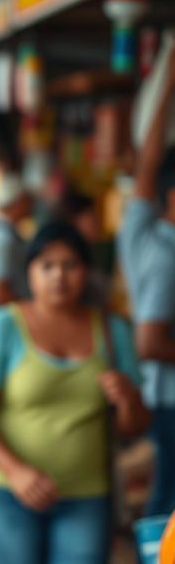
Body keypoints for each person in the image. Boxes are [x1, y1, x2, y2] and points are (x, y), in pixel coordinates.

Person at [0, 221, 150, 564]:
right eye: (47, 265)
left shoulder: (112, 331)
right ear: (29, 272)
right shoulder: (2, 327)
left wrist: (127, 399)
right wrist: (17, 471)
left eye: (70, 265)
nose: (59, 276)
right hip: (3, 491)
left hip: (86, 495)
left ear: (87, 272)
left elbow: (132, 428)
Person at [117, 46, 175, 518]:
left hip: (161, 397)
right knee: (166, 504)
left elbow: (148, 163)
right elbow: (151, 341)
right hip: (169, 398)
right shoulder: (165, 252)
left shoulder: (142, 228)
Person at [0, 175, 33, 307]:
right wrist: (29, 312)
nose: (31, 204)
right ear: (16, 203)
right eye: (26, 200)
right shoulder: (2, 239)